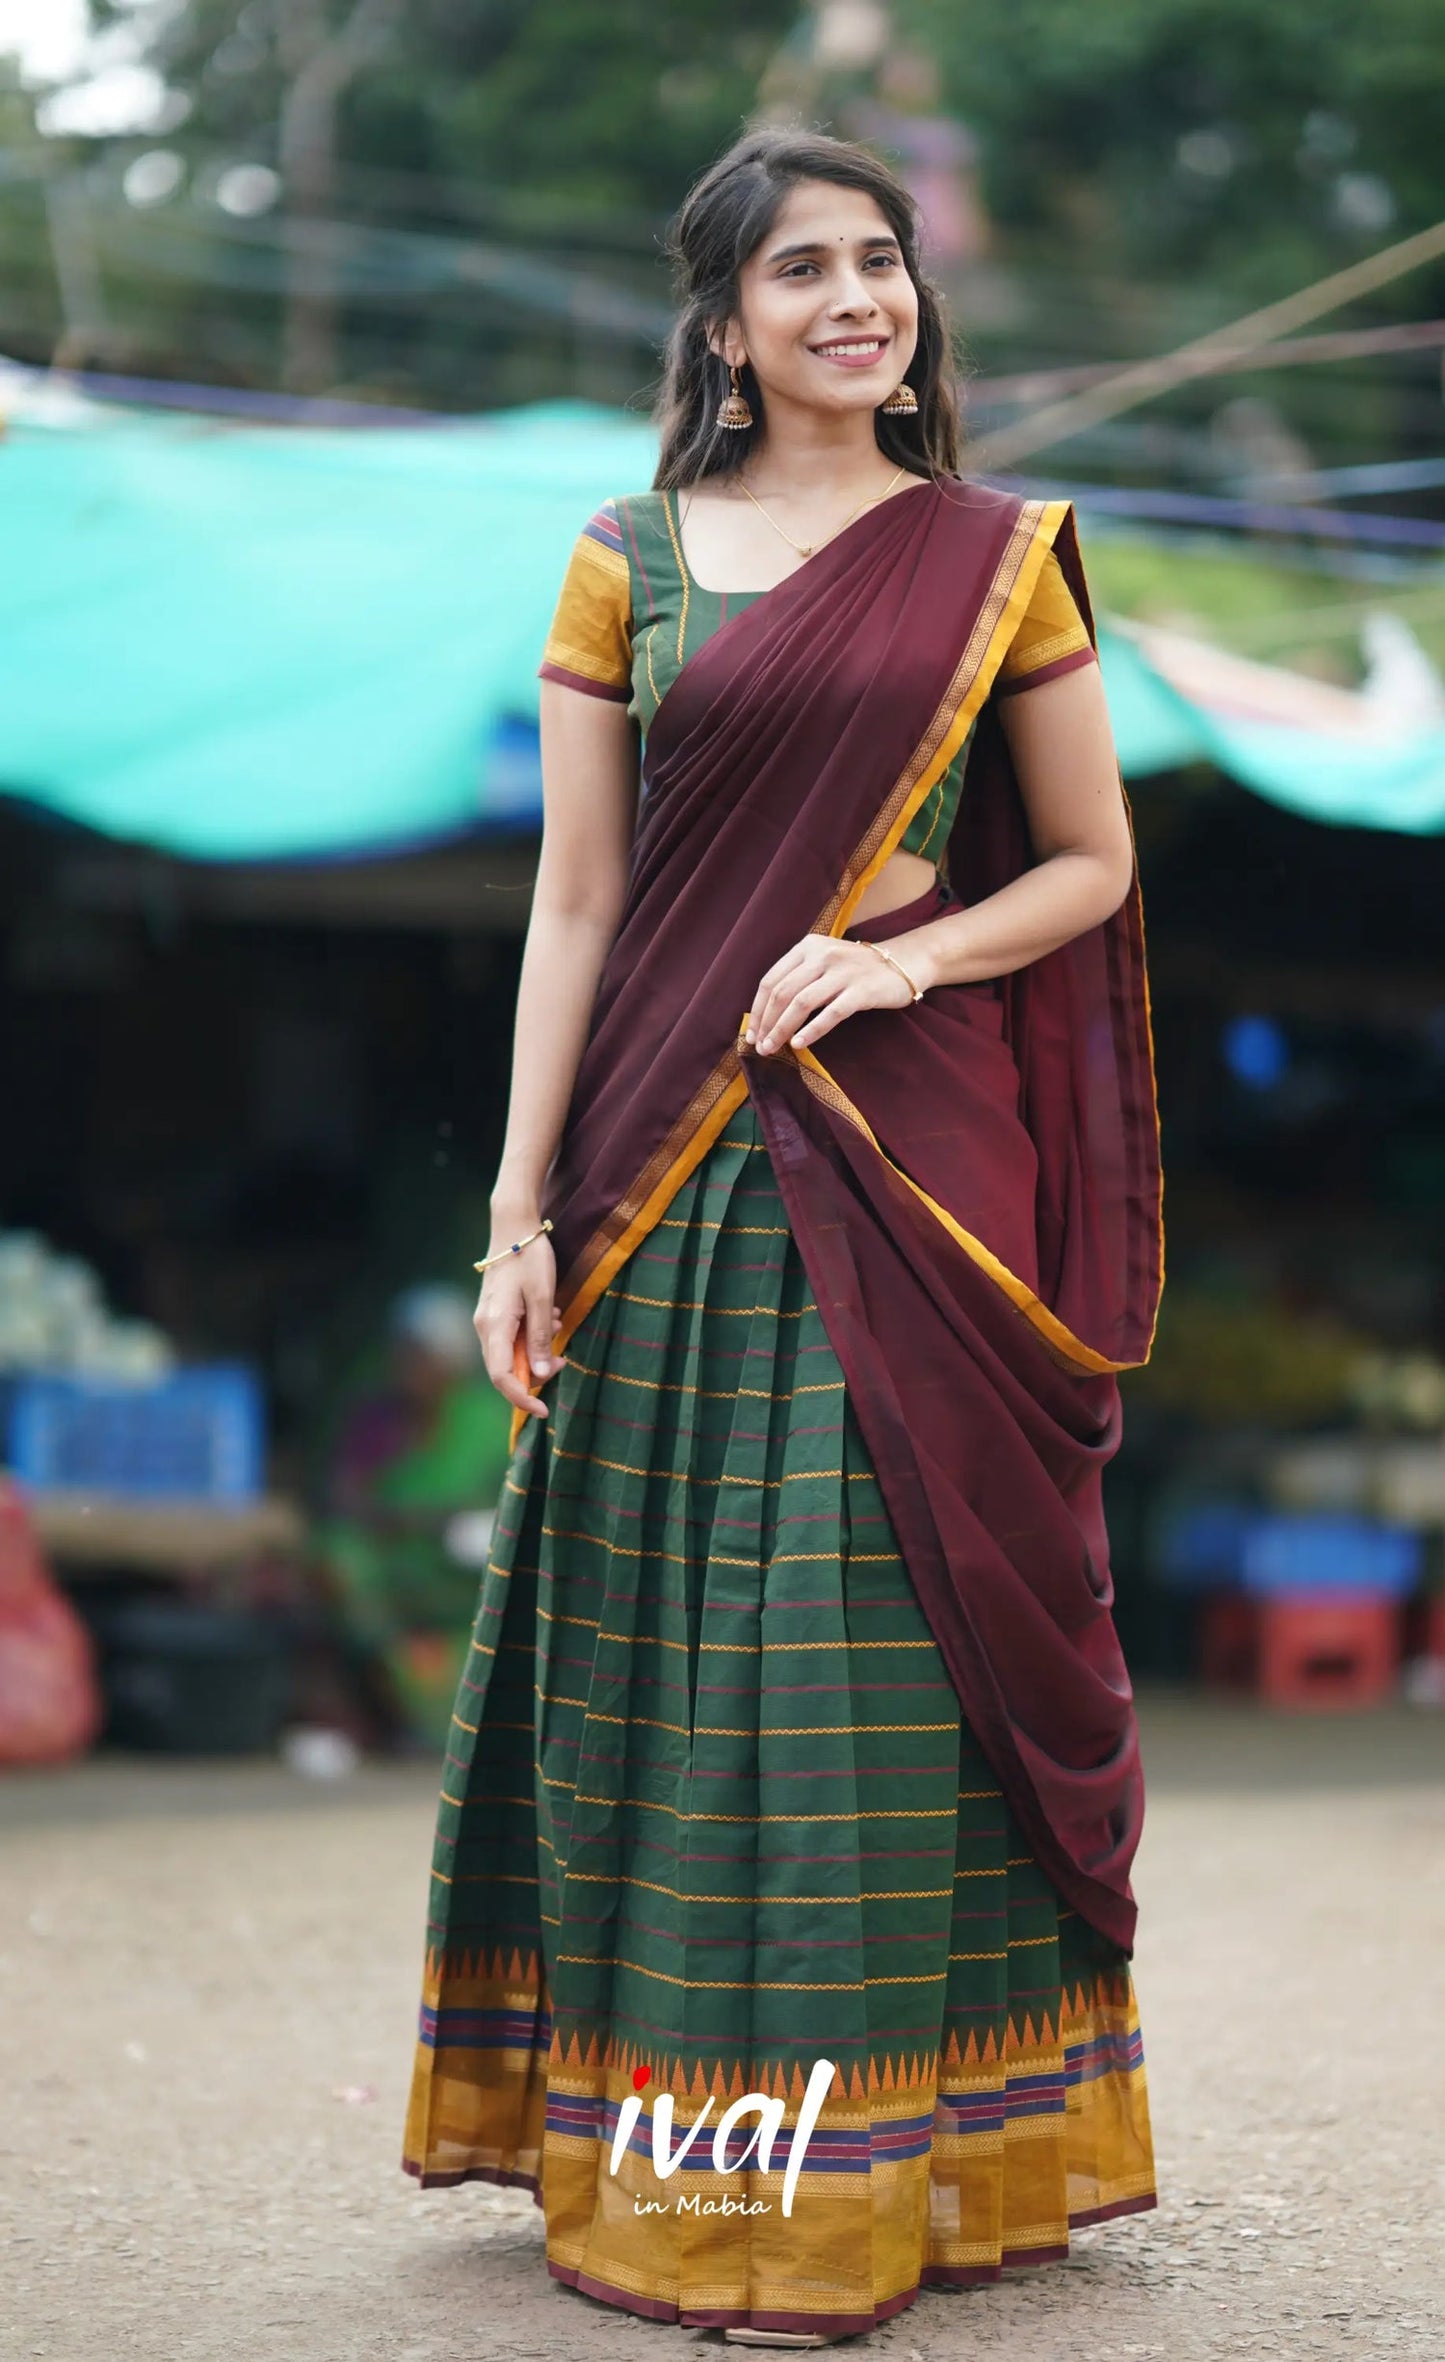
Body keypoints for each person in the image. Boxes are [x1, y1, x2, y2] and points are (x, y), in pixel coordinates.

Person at [402, 127, 1164, 2349]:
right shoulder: (620, 556)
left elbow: (1086, 864)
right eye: (804, 268)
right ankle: (663, 2148)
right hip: (659, 1160)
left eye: (882, 259)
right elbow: (574, 901)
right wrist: (513, 1214)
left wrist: (899, 962)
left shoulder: (990, 555)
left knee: (851, 1659)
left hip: (903, 1162)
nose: (858, 297)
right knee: (651, 1664)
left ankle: (879, 2171)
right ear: (723, 321)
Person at [312, 1283, 515, 1751]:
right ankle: (375, 1699)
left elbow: (511, 1499)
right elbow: (346, 1495)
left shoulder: (488, 1420)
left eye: (421, 1355)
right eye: (403, 1353)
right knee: (337, 1561)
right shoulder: (376, 1419)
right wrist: (394, 1519)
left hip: (460, 1567)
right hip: (392, 1561)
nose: (408, 1368)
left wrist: (433, 1519)